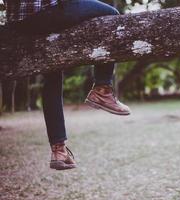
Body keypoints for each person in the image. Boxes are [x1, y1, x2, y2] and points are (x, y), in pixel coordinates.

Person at [4, 0, 131, 170]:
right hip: (46, 11)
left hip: (18, 22)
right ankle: (102, 89)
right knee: (111, 14)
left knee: (52, 72)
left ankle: (59, 150)